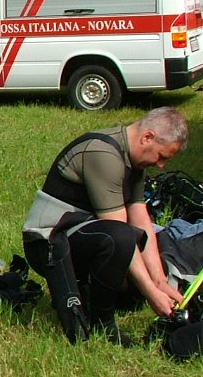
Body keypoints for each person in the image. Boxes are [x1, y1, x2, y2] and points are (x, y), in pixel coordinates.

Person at [22, 107, 188, 346]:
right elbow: (120, 232)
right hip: (47, 244)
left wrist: (160, 282)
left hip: (82, 235)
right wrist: (151, 293)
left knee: (131, 291)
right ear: (147, 138)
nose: (161, 166)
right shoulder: (104, 154)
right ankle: (103, 323)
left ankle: (93, 298)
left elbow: (141, 221)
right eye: (162, 157)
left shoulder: (133, 161)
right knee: (120, 238)